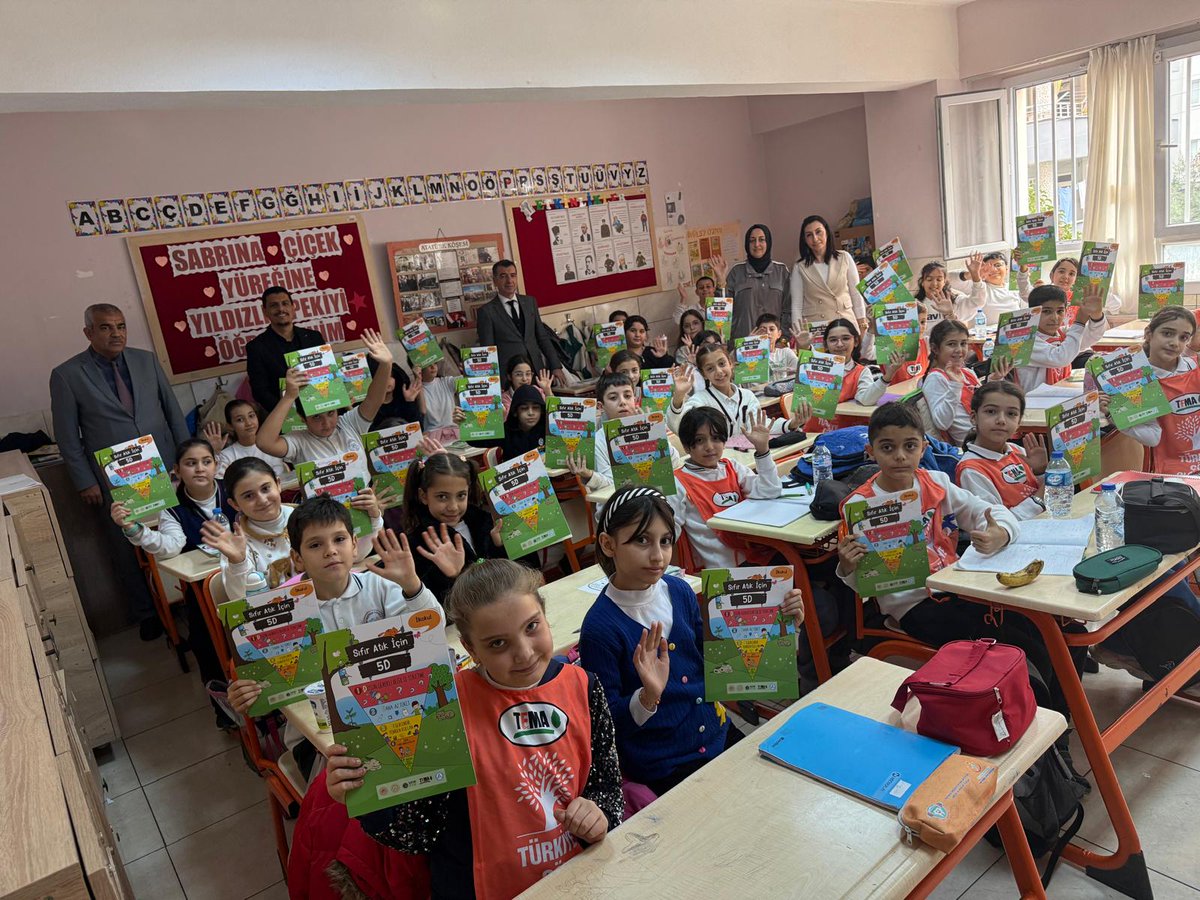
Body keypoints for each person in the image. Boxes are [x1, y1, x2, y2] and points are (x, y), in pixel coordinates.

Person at [356, 559, 622, 898]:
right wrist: (367, 794)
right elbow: (416, 832)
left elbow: (607, 787)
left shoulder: (584, 687)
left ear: (543, 612)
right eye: (498, 643)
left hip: (576, 879)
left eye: (531, 627)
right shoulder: (443, 710)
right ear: (471, 649)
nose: (524, 653)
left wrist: (598, 813)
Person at [579, 488, 801, 794]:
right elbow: (608, 724)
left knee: (775, 791)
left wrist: (781, 627)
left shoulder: (679, 591)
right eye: (641, 540)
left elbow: (715, 664)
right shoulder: (600, 628)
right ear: (608, 544)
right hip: (664, 763)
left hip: (716, 732)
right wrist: (647, 697)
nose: (657, 555)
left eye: (665, 541)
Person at [225, 497, 443, 780]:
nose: (330, 551)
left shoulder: (381, 586)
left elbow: (432, 633)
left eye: (339, 539)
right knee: (368, 782)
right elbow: (264, 683)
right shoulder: (283, 613)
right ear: (297, 558)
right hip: (317, 741)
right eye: (315, 545)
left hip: (390, 715)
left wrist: (412, 585)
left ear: (354, 543)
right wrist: (245, 694)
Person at [50, 302, 190, 639]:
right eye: (106, 327)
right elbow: (68, 437)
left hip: (164, 465)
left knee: (177, 530)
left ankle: (187, 600)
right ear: (88, 332)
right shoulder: (67, 375)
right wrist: (85, 481)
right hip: (114, 477)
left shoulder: (145, 360)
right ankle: (147, 613)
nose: (116, 333)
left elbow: (172, 411)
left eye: (121, 326)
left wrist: (187, 458)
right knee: (126, 544)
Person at [113, 437, 231, 687]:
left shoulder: (232, 488)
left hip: (247, 574)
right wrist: (134, 528)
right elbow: (169, 546)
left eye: (206, 461)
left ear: (216, 465)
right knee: (204, 638)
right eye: (191, 463)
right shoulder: (173, 509)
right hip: (203, 588)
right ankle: (223, 701)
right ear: (176, 471)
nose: (200, 468)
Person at [201, 457, 383, 600]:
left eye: (266, 488)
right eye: (248, 496)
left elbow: (355, 555)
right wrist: (238, 561)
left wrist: (374, 517)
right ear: (234, 504)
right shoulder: (237, 545)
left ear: (278, 484)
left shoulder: (309, 517)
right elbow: (242, 600)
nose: (262, 499)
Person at [256, 328, 393, 466]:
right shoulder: (298, 442)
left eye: (331, 413)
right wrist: (289, 397)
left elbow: (373, 400)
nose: (327, 423)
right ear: (302, 418)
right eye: (316, 417)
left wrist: (386, 365)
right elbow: (264, 443)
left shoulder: (349, 423)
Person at [670, 408, 781, 568]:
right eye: (700, 440)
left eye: (715, 438)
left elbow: (770, 490)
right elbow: (668, 533)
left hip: (755, 557)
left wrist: (762, 449)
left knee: (797, 564)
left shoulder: (732, 468)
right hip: (721, 573)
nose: (709, 447)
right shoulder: (678, 482)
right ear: (687, 447)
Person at [392, 443, 504, 600]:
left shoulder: (484, 522)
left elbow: (515, 574)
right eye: (442, 497)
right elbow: (430, 605)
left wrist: (498, 545)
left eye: (461, 495)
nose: (453, 507)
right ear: (423, 496)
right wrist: (451, 575)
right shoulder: (417, 543)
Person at [564, 372, 682, 495]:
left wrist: (653, 433)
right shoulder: (599, 439)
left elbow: (674, 462)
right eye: (613, 398)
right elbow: (610, 484)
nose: (622, 402)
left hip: (654, 496)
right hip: (622, 502)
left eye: (627, 396)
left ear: (635, 399)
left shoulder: (650, 428)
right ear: (601, 406)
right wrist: (588, 475)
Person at [1113, 307, 1200, 472]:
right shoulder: (1135, 380)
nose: (1175, 342)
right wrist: (1117, 417)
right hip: (1169, 472)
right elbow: (1152, 438)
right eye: (1167, 333)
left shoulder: (1195, 367)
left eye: (1183, 337)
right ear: (1148, 334)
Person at [666, 344, 806, 440]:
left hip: (747, 461)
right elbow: (680, 427)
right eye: (710, 369)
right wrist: (678, 396)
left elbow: (759, 425)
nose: (719, 372)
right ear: (703, 374)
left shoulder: (747, 396)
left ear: (731, 364)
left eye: (722, 364)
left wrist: (791, 424)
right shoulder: (700, 401)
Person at [955, 381, 1048, 520]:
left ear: (1019, 423)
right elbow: (997, 523)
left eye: (1011, 414)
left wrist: (1041, 471)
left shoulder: (1017, 451)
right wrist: (1041, 496)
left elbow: (1055, 496)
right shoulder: (971, 470)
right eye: (991, 411)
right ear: (974, 418)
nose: (1001, 420)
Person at [922, 319, 1013, 444]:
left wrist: (995, 379)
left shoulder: (967, 372)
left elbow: (981, 401)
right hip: (971, 445)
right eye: (951, 344)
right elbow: (942, 423)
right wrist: (955, 386)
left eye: (963, 343)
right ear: (935, 348)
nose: (959, 350)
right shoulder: (936, 378)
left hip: (990, 436)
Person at [474, 259, 566, 378]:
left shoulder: (530, 302)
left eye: (513, 275)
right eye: (503, 276)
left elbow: (542, 337)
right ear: (495, 281)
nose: (509, 281)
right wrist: (495, 381)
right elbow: (488, 350)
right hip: (510, 376)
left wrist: (555, 366)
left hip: (536, 371)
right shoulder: (486, 312)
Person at [794, 318, 888, 431]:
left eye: (846, 338)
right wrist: (804, 347)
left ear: (856, 341)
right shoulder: (815, 367)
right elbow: (808, 359)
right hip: (814, 434)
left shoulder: (862, 372)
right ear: (826, 345)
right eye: (833, 340)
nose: (839, 344)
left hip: (847, 435)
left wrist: (888, 377)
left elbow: (866, 400)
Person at [244, 287, 326, 411]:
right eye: (274, 305)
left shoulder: (314, 337)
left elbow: (328, 373)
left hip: (322, 407)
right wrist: (288, 412)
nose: (281, 309)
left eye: (285, 303)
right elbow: (260, 391)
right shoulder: (256, 347)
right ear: (265, 311)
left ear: (293, 307)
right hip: (286, 416)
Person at [1015, 284, 1106, 392]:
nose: (1055, 318)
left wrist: (1096, 315)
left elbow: (1093, 335)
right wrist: (1079, 322)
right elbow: (1060, 357)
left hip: (1059, 395)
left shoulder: (1062, 333)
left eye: (1060, 311)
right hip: (1032, 402)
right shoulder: (1023, 341)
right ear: (1032, 312)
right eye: (1046, 311)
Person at [789, 215, 867, 335]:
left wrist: (862, 322)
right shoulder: (799, 267)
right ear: (804, 240)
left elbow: (856, 294)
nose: (815, 239)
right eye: (809, 235)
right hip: (817, 329)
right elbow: (797, 306)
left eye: (818, 232)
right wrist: (799, 335)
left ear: (827, 233)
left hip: (846, 324)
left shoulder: (844, 257)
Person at [720, 224, 791, 339]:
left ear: (768, 242)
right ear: (747, 245)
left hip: (775, 345)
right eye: (752, 241)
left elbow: (788, 310)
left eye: (761, 240)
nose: (756, 244)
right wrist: (720, 281)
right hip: (745, 343)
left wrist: (783, 339)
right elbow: (723, 311)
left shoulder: (781, 271)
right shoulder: (736, 272)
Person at [205, 399, 287, 479]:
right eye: (240, 420)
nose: (249, 423)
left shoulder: (275, 444)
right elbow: (219, 483)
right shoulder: (226, 456)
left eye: (251, 416)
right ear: (230, 426)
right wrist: (214, 453)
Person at [1019, 255, 1124, 317]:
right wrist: (1023, 268)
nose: (1066, 277)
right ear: (1052, 275)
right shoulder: (1043, 294)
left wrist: (1097, 289)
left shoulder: (1082, 296)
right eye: (1061, 271)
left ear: (1077, 279)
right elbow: (1025, 292)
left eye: (1072, 274)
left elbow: (1116, 305)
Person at [915, 261, 978, 337]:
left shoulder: (954, 300)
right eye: (929, 279)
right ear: (922, 282)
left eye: (939, 280)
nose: (934, 284)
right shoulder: (914, 305)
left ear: (944, 282)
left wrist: (950, 314)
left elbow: (977, 302)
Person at [963, 251, 1027, 325]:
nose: (993, 270)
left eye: (998, 265)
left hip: (1011, 333)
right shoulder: (977, 287)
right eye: (988, 267)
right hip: (983, 334)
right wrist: (972, 274)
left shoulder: (1014, 288)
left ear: (1006, 268)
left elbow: (1026, 313)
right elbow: (953, 280)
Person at [753, 313, 798, 382]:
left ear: (779, 334)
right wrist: (747, 346)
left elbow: (801, 372)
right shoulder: (750, 355)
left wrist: (805, 348)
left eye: (771, 329)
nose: (767, 332)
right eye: (763, 330)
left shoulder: (786, 352)